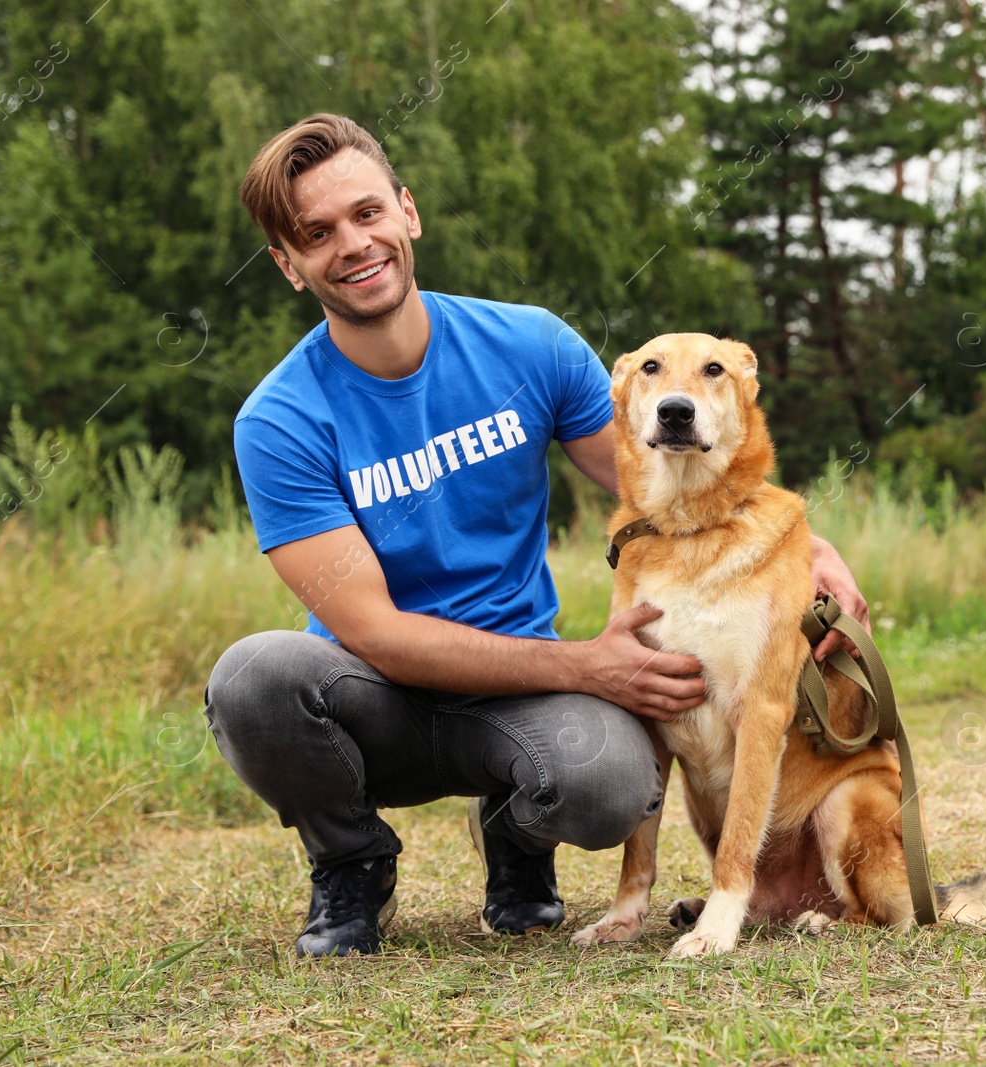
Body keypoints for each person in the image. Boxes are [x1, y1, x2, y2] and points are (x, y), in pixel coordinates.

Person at [206, 113, 869, 958]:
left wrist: (803, 546)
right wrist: (588, 664)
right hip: (375, 696)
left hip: (516, 693)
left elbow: (663, 478)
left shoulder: (530, 343)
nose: (352, 243)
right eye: (317, 233)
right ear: (289, 265)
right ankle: (350, 862)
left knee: (611, 781)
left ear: (407, 212)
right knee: (255, 676)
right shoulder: (279, 418)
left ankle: (519, 836)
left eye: (367, 213)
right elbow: (374, 631)